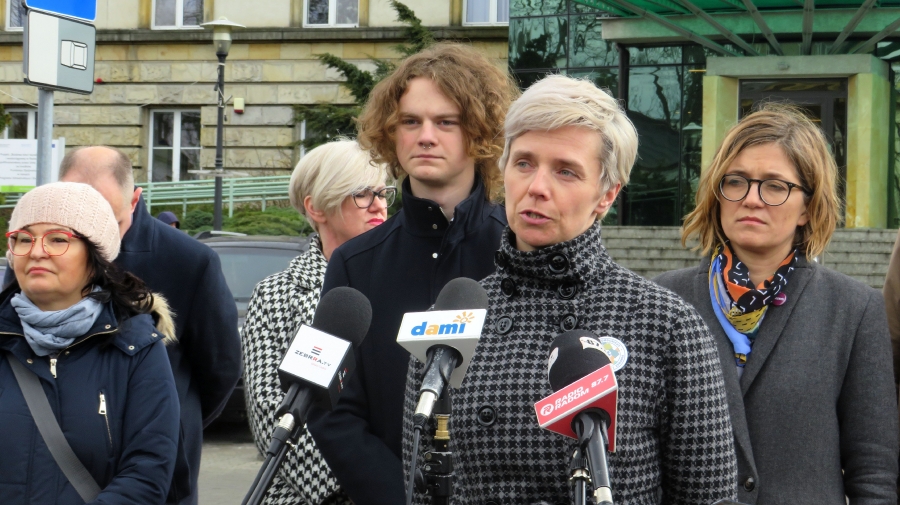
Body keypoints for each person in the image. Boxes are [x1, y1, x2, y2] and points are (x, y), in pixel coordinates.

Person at [400, 74, 737, 504]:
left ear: (606, 195)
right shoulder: (447, 322)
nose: (537, 187)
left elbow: (707, 496)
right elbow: (418, 489)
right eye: (524, 163)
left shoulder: (665, 324)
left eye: (565, 171)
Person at [306, 42, 518, 505]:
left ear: (480, 131)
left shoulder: (518, 250)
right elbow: (330, 408)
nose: (425, 136)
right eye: (410, 122)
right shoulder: (354, 262)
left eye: (446, 122)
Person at [656, 105, 898, 504]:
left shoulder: (854, 310)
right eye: (736, 181)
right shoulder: (663, 301)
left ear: (807, 207)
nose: (751, 199)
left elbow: (873, 472)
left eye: (774, 186)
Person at [57, 146, 242, 505]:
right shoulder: (35, 254)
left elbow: (220, 368)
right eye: (78, 221)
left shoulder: (190, 261)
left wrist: (172, 422)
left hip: (157, 469)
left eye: (110, 221)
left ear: (135, 199)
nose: (94, 238)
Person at [0, 182, 180, 504]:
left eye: (57, 239)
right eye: (23, 239)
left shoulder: (136, 347)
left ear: (95, 255)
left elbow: (147, 472)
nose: (37, 251)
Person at [242, 139, 393, 505]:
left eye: (382, 193)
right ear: (317, 207)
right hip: (310, 496)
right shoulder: (277, 294)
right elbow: (270, 412)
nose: (378, 205)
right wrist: (358, 486)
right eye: (362, 194)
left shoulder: (403, 280)